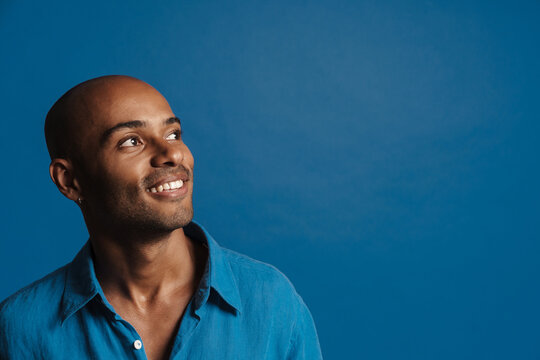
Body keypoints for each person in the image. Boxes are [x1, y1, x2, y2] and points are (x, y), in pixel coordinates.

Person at [0, 75, 323, 360]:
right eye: (131, 142)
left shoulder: (272, 302)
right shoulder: (21, 326)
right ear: (70, 181)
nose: (172, 154)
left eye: (173, 134)